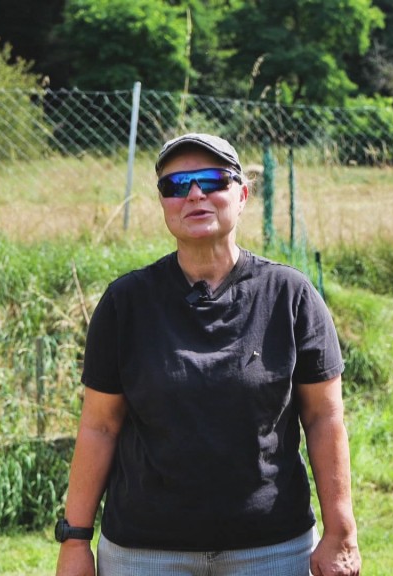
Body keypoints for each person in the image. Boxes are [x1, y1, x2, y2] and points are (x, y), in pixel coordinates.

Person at [55, 133, 360, 576]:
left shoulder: (290, 296)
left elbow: (324, 418)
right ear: (163, 203)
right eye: (176, 186)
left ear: (242, 195)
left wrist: (341, 533)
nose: (194, 194)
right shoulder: (127, 303)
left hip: (271, 550)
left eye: (212, 180)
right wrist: (76, 540)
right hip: (145, 553)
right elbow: (99, 426)